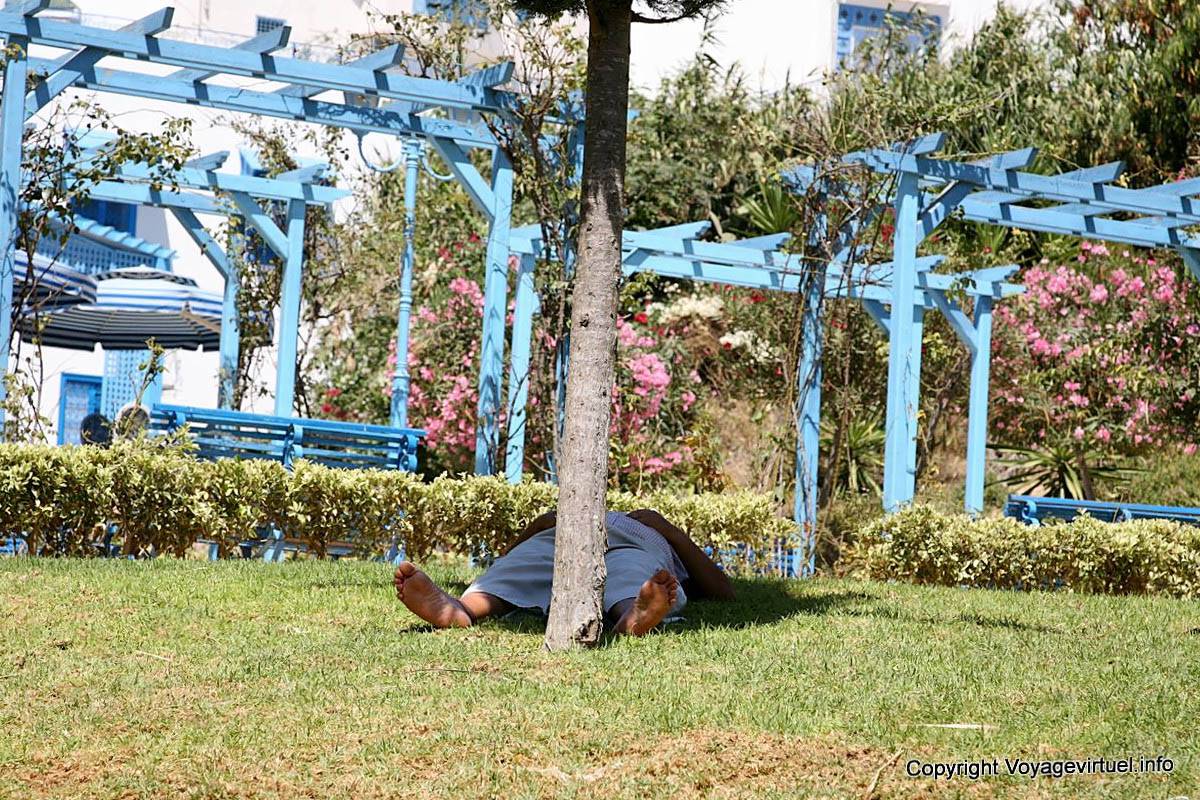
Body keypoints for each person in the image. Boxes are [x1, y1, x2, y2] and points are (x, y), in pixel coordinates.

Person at [393, 508, 735, 636]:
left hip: (634, 542)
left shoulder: (651, 527)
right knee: (519, 567)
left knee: (629, 574)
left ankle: (633, 615)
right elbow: (506, 558)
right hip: (561, 537)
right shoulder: (567, 513)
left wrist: (667, 529)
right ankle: (460, 609)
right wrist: (539, 525)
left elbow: (722, 591)